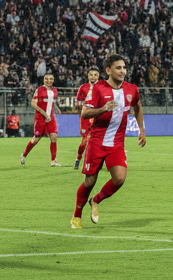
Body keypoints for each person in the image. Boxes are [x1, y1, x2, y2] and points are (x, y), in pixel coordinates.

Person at [73, 55, 145, 228]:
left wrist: (142, 129)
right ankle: (76, 216)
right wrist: (103, 108)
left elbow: (138, 106)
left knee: (119, 178)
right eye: (118, 68)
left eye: (124, 68)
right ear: (108, 70)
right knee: (89, 181)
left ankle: (96, 200)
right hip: (97, 141)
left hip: (117, 143)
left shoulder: (132, 89)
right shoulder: (98, 89)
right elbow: (84, 112)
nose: (122, 71)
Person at [21, 72, 61, 166]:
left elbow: (51, 102)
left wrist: (56, 108)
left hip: (51, 117)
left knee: (54, 136)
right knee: (36, 139)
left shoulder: (55, 90)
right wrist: (44, 113)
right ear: (44, 80)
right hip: (40, 118)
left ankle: (53, 161)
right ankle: (24, 155)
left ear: (53, 80)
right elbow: (33, 103)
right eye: (46, 79)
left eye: (51, 79)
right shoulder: (39, 90)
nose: (49, 81)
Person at [73, 67, 101, 170]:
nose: (93, 77)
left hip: (98, 116)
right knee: (85, 140)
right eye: (91, 75)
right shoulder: (83, 88)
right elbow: (78, 103)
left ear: (98, 76)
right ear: (88, 76)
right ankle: (78, 158)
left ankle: (96, 161)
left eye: (95, 75)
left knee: (98, 140)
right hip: (86, 117)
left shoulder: (102, 88)